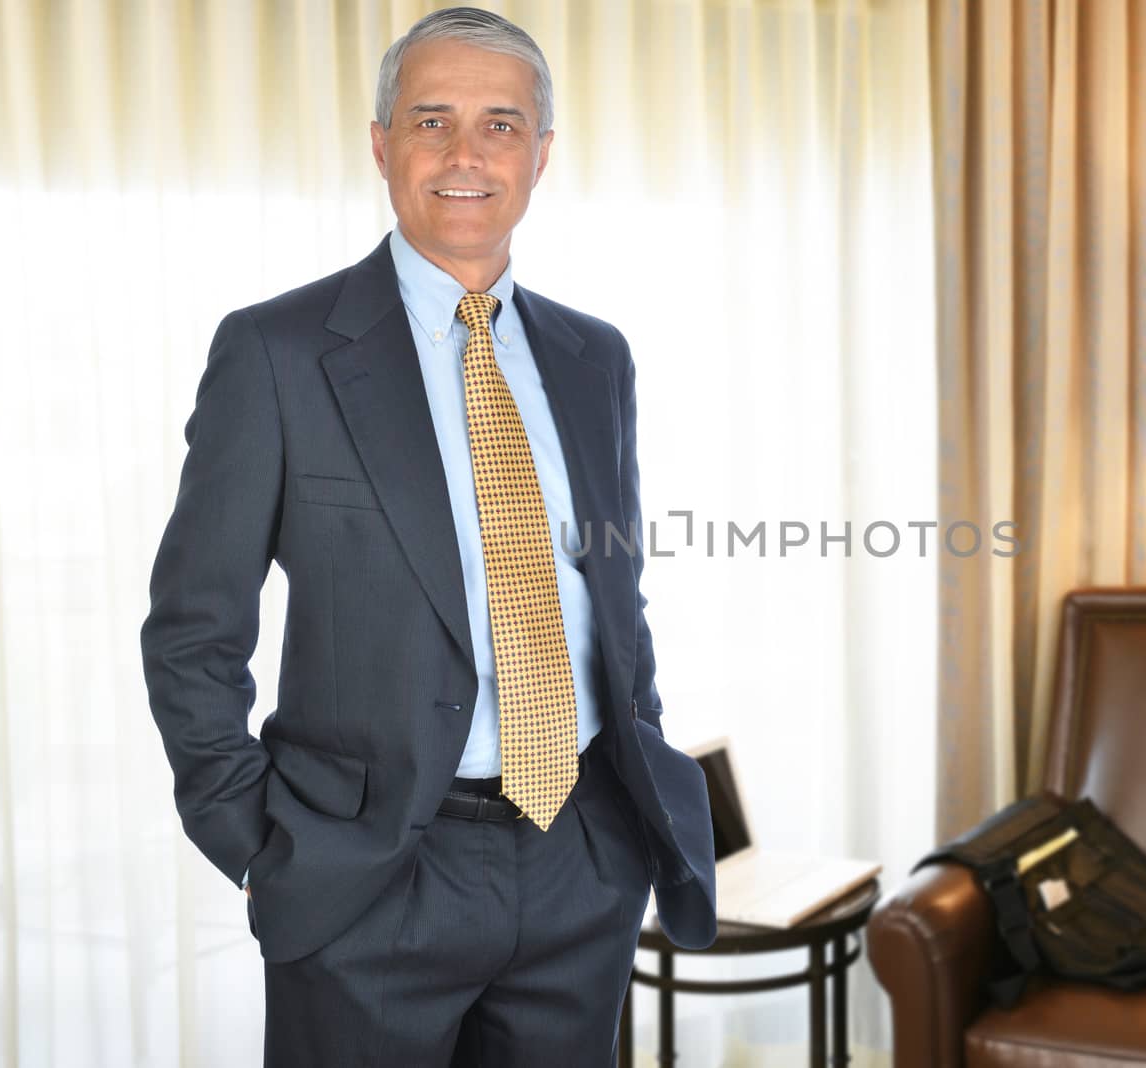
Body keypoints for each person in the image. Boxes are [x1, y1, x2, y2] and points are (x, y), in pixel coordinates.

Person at [139, 8, 715, 1064]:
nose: (464, 154)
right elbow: (192, 631)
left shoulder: (597, 358)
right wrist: (261, 849)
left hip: (577, 858)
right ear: (380, 144)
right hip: (367, 880)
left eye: (500, 125)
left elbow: (610, 603)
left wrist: (618, 825)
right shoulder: (276, 353)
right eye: (431, 120)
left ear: (540, 156)